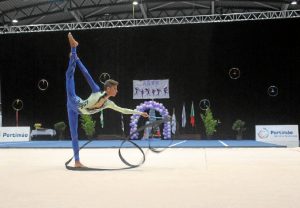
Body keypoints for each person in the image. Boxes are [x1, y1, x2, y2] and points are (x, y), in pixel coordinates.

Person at [66, 33, 148, 168]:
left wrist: (139, 113)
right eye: (115, 89)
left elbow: (123, 110)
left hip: (78, 111)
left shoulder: (109, 103)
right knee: (69, 75)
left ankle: (76, 162)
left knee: (74, 135)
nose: (117, 91)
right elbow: (86, 74)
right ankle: (74, 49)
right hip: (73, 101)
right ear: (108, 88)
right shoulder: (96, 90)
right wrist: (77, 59)